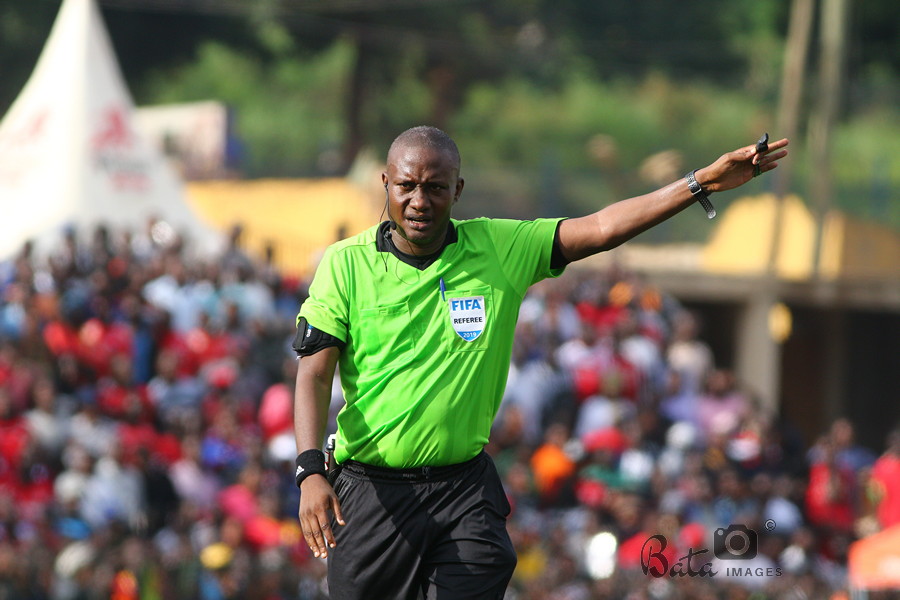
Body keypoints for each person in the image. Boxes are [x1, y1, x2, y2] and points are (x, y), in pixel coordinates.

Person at [292, 125, 788, 599]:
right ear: (386, 182)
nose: (420, 200)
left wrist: (701, 182)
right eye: (406, 186)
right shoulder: (345, 264)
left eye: (436, 187)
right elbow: (314, 372)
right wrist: (310, 470)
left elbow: (601, 228)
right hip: (372, 494)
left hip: (462, 491)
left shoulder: (498, 247)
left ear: (458, 190)